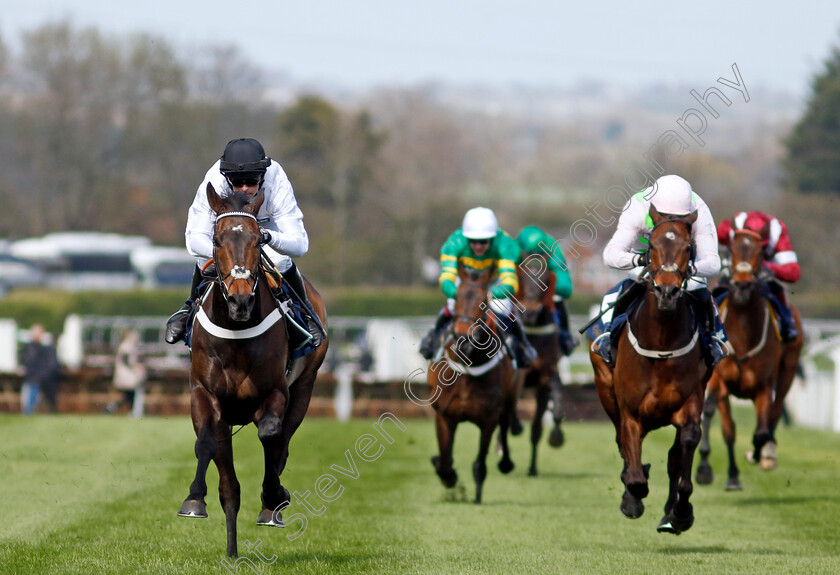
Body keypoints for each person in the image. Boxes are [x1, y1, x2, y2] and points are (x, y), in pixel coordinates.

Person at [164, 138, 324, 348]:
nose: (245, 189)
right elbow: (194, 240)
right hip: (229, 237)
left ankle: (304, 311)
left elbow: (300, 245)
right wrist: (225, 252)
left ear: (263, 175)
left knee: (281, 260)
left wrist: (267, 237)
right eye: (237, 183)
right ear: (227, 178)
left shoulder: (276, 181)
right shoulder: (214, 181)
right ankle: (189, 307)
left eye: (252, 181)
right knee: (205, 257)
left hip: (265, 231)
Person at [589, 174, 729, 367]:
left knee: (700, 289)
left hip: (683, 261)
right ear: (653, 210)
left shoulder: (699, 210)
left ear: (688, 213)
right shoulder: (637, 207)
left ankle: (714, 340)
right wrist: (639, 259)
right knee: (622, 290)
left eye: (680, 219)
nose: (672, 222)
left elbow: (713, 262)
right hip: (649, 256)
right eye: (665, 217)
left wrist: (689, 268)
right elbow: (610, 255)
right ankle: (606, 335)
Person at [419, 206, 536, 367]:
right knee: (453, 306)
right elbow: (447, 278)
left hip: (492, 284)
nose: (478, 246)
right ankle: (431, 340)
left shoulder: (504, 244)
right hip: (465, 285)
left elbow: (510, 282)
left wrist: (494, 294)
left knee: (504, 309)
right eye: (473, 241)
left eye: (483, 241)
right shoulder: (454, 243)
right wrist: (457, 294)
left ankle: (522, 348)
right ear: (466, 238)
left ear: (492, 238)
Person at [717, 211, 800, 342]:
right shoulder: (727, 228)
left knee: (777, 290)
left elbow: (793, 273)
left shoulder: (777, 234)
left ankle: (787, 324)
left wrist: (768, 266)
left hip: (761, 272)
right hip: (734, 270)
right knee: (715, 292)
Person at [516, 225, 578, 356]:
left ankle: (565, 338)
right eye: (531, 254)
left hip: (543, 291)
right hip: (521, 291)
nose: (535, 258)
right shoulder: (514, 248)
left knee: (558, 299)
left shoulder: (552, 247)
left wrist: (546, 294)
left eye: (539, 254)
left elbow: (565, 286)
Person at [19, 324, 61, 415]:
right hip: (32, 378)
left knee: (39, 402)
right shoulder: (30, 347)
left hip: (41, 379)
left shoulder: (44, 347)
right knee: (29, 403)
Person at [106, 329, 147, 417]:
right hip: (127, 374)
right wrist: (136, 367)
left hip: (126, 374)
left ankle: (116, 407)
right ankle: (125, 410)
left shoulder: (126, 346)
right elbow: (127, 361)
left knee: (129, 395)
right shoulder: (126, 346)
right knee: (130, 395)